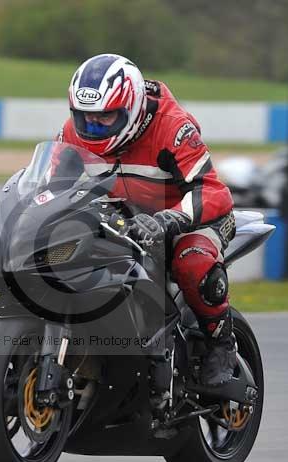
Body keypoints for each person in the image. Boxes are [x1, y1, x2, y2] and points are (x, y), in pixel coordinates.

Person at [57, 53, 237, 386]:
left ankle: (220, 343)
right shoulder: (73, 133)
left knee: (190, 260)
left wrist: (171, 218)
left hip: (191, 220)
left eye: (105, 119)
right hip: (128, 221)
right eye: (85, 119)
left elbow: (211, 190)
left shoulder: (172, 128)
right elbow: (52, 186)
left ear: (133, 109)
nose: (92, 128)